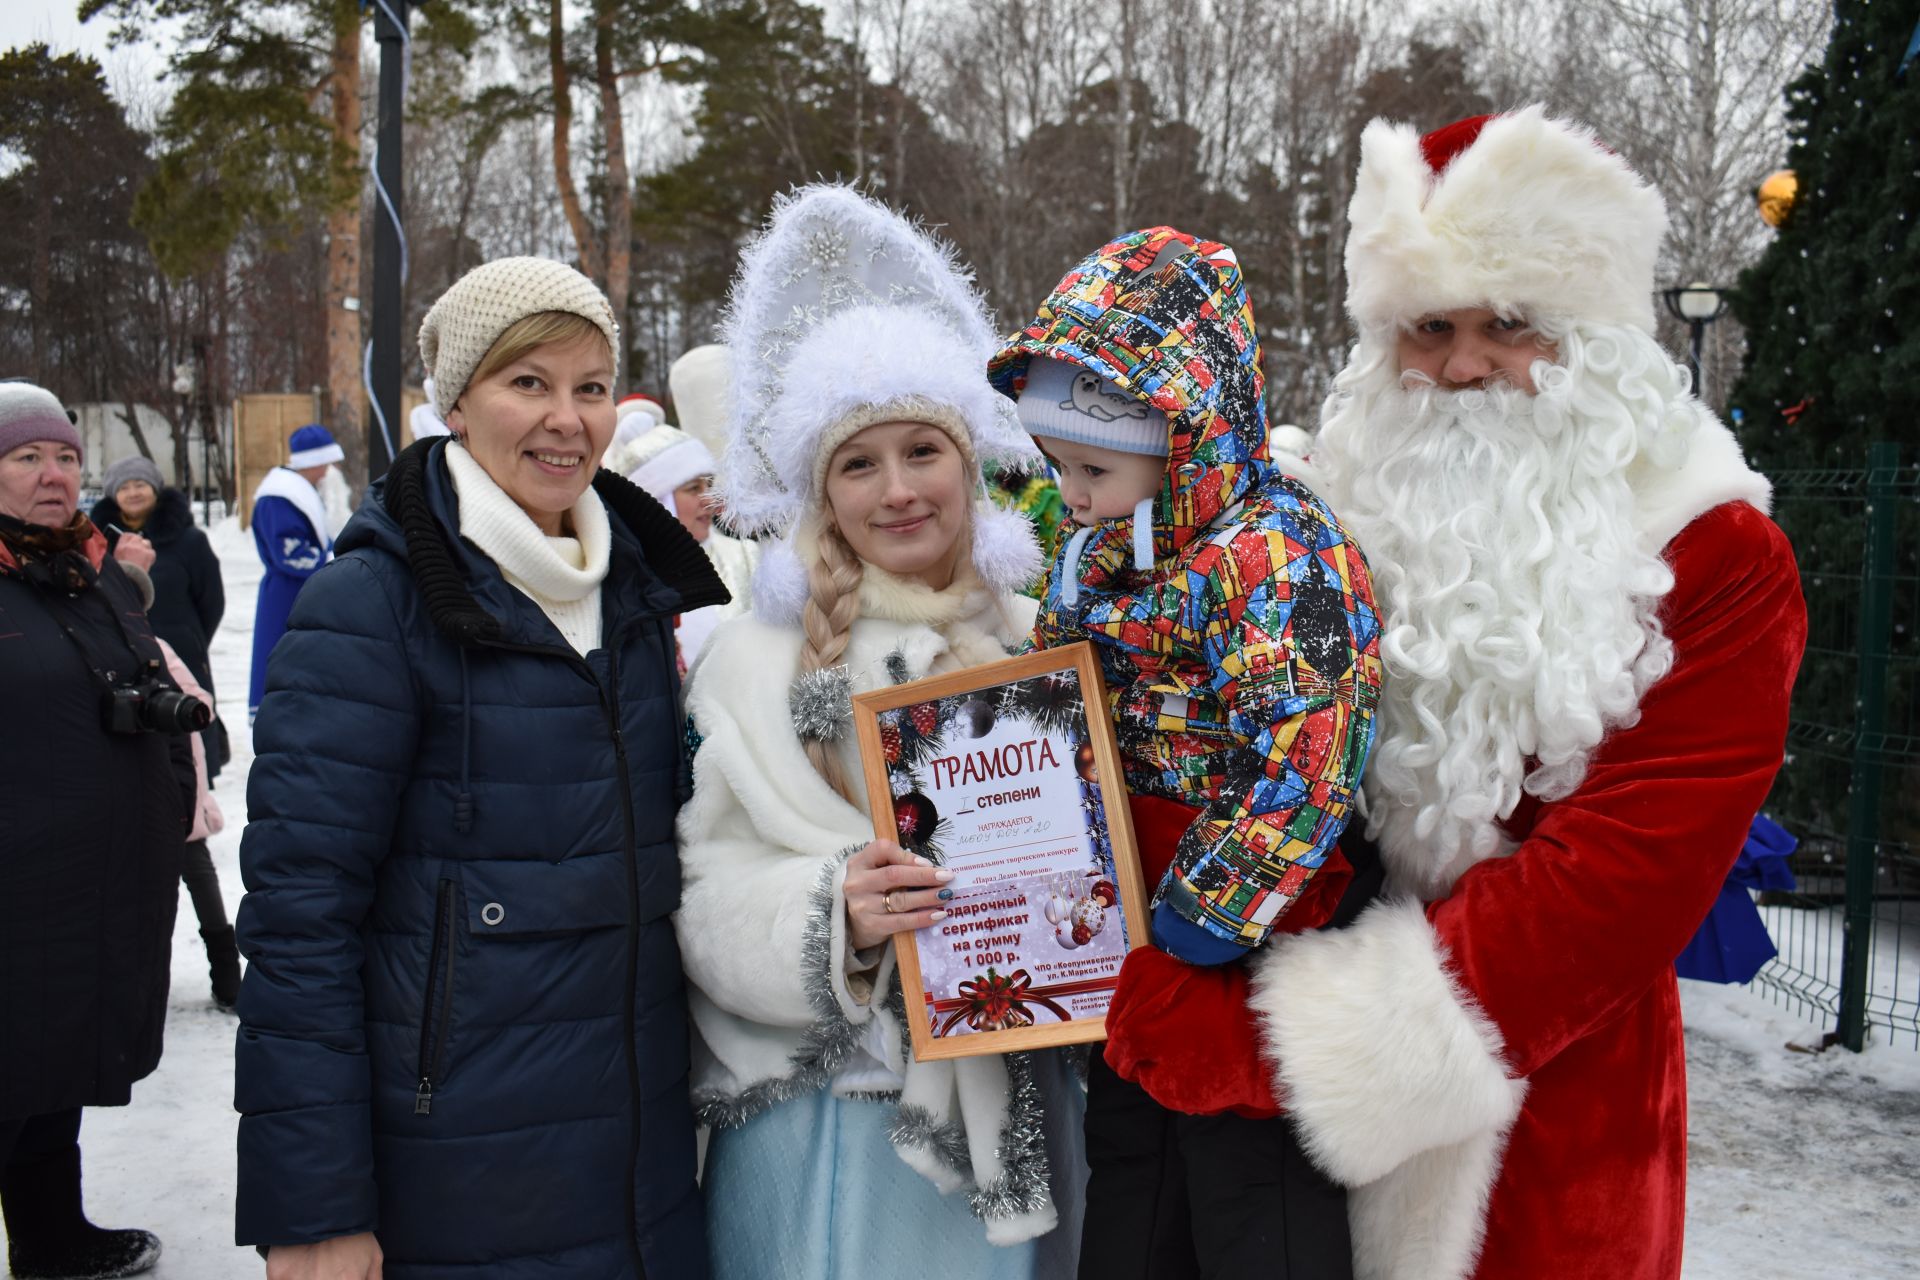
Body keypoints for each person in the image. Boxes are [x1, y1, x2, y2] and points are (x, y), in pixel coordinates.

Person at [1106, 107, 1807, 1280]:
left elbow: (1612, 892)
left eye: (1513, 324)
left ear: (1595, 338)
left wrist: (1271, 1043)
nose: (1465, 364)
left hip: (1550, 1132)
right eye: (1430, 326)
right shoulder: (1301, 528)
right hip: (1272, 1174)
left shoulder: (1717, 554)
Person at [234, 257, 724, 1279]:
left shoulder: (636, 591)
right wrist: (315, 1203)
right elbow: (299, 916)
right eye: (528, 383)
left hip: (640, 1170)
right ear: (457, 400)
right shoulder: (374, 603)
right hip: (455, 1175)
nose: (567, 419)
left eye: (591, 387)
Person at [675, 184, 1083, 1279]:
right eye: (859, 463)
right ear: (822, 488)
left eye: (922, 450)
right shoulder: (751, 657)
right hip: (830, 1122)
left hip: (1016, 1101)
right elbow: (697, 889)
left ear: (970, 460)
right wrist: (834, 916)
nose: (898, 490)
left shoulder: (1043, 642)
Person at [987, 228, 1382, 1279]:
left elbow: (1314, 737)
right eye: (1057, 466)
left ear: (1185, 436)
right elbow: (1060, 686)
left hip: (1243, 919)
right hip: (1126, 903)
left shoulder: (1275, 550)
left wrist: (1217, 902)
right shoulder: (1109, 539)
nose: (1069, 493)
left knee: (1248, 1169)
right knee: (1136, 1154)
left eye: (1092, 466)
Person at [0, 382, 198, 1280]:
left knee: (58, 1055)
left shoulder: (92, 569)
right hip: (16, 873)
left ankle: (51, 1234)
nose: (53, 475)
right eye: (26, 458)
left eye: (65, 457)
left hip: (92, 871)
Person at [92, 455, 238, 1008]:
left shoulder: (188, 541)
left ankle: (224, 970)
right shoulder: (94, 542)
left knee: (191, 863)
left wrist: (181, 641)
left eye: (139, 484)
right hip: (125, 705)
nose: (131, 492)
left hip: (176, 673)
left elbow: (213, 600)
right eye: (121, 485)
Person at [610, 422, 756, 670]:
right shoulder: (628, 576)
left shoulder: (745, 556)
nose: (709, 499)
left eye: (709, 485)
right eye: (693, 489)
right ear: (658, 500)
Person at [246, 424, 340, 719]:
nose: (327, 471)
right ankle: (281, 714)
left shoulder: (296, 491)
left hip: (300, 589)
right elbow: (288, 553)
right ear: (312, 462)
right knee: (284, 654)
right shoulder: (279, 497)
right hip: (287, 592)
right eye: (324, 463)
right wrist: (329, 558)